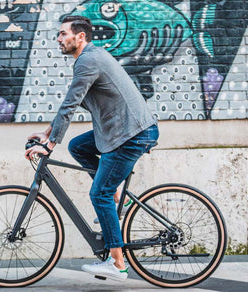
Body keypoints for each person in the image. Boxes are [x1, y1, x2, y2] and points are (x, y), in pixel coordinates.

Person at [25, 15, 159, 281]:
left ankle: (117, 263)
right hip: (121, 131)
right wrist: (47, 133)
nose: (58, 39)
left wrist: (49, 144)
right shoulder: (89, 58)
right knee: (78, 146)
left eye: (63, 34)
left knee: (99, 194)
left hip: (132, 134)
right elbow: (69, 102)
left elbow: (70, 104)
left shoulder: (88, 61)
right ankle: (117, 197)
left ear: (80, 37)